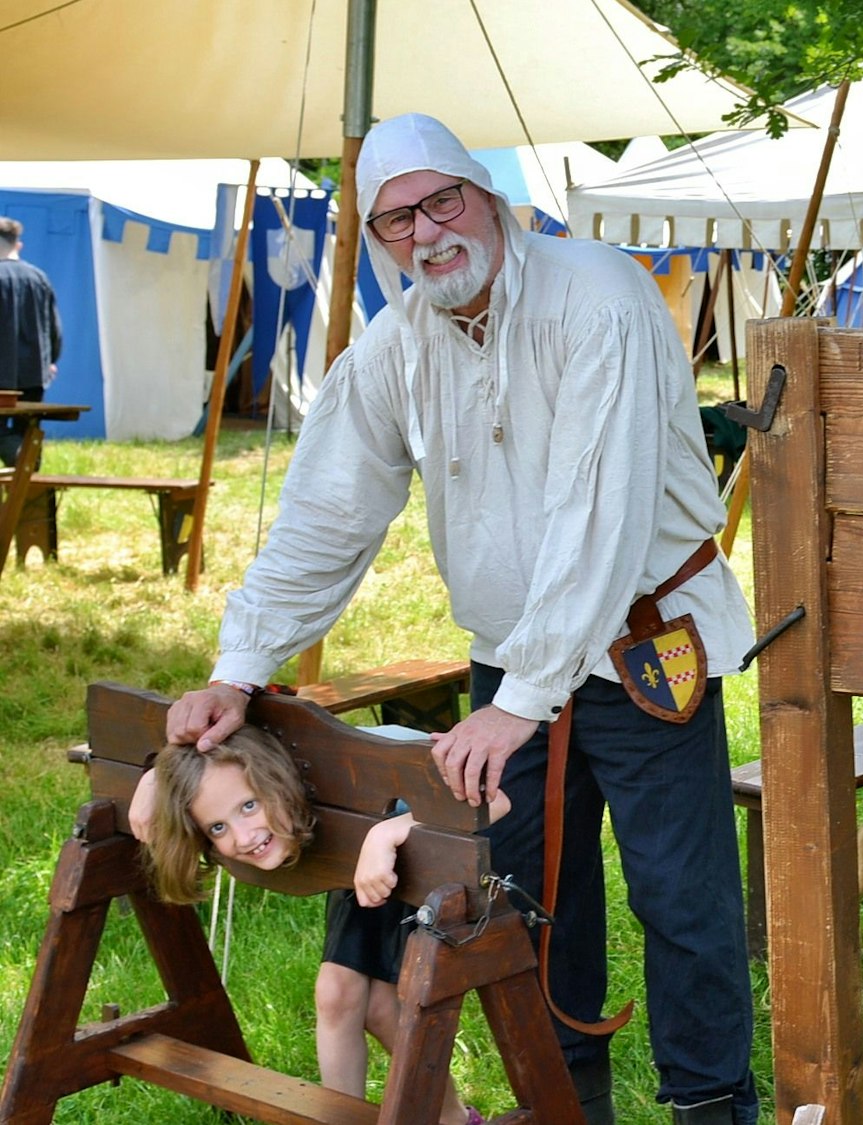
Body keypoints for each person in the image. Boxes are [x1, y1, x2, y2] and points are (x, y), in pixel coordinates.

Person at [141, 114, 759, 1125]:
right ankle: (567, 1106)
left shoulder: (600, 298)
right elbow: (327, 512)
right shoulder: (396, 348)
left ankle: (710, 1107)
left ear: (488, 198)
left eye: (442, 201)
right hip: (508, 671)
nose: (428, 233)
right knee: (523, 908)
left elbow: (595, 517)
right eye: (396, 221)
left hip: (640, 647)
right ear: (378, 241)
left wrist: (523, 702)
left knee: (680, 899)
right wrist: (239, 663)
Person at [136, 728, 495, 1125]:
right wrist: (155, 775)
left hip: (414, 837)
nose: (243, 836)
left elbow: (495, 798)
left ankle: (454, 1120)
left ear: (276, 780)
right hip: (357, 860)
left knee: (373, 1004)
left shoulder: (346, 769)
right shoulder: (234, 774)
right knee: (338, 995)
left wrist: (387, 832)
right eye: (216, 828)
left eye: (249, 806)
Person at [0, 216, 61, 467]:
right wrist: (50, 360)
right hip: (34, 373)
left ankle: (20, 461)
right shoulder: (39, 278)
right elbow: (54, 329)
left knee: (5, 435)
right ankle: (34, 498)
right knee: (30, 433)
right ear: (18, 244)